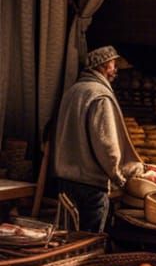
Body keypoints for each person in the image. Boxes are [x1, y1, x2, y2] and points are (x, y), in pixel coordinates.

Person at [52, 46, 146, 232]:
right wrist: (119, 178)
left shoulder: (73, 91)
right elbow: (107, 146)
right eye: (112, 65)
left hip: (66, 180)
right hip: (91, 184)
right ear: (102, 67)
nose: (115, 70)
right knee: (91, 243)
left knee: (70, 240)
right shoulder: (100, 96)